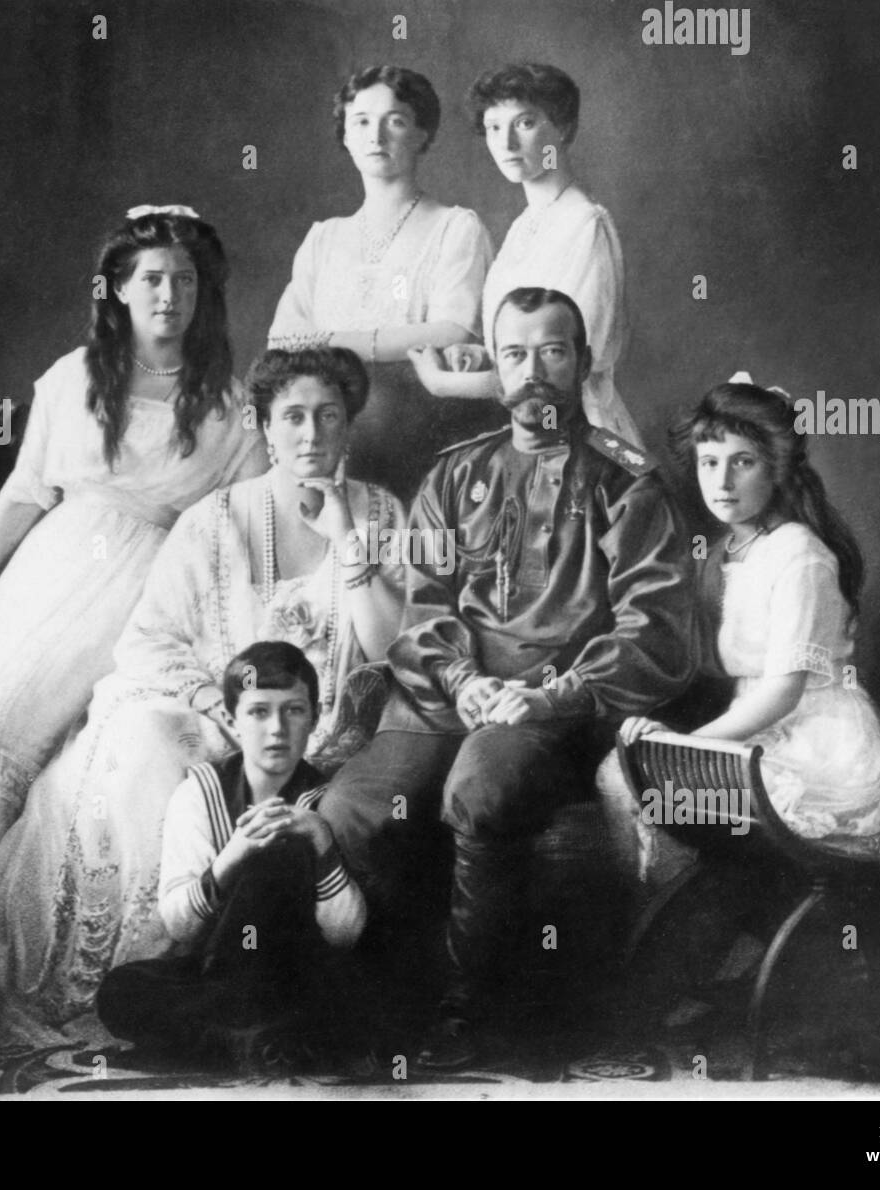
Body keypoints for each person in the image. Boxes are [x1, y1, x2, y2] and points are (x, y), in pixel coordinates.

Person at [0, 349, 403, 1083]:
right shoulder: (212, 520)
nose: (311, 434)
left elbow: (386, 646)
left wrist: (346, 533)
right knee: (144, 747)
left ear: (350, 426)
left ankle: (242, 1002)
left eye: (328, 416)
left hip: (328, 736)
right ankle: (150, 972)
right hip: (215, 718)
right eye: (293, 417)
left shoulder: (380, 513)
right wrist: (211, 711)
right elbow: (148, 641)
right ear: (264, 427)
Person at [317, 286, 697, 1071]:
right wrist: (462, 681)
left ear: (583, 362)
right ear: (495, 367)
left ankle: (468, 1017)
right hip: (444, 695)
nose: (534, 371)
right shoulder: (455, 476)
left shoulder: (631, 485)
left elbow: (653, 633)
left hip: (557, 703)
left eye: (553, 351)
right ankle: (356, 1010)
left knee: (479, 789)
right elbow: (423, 607)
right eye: (515, 354)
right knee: (350, 810)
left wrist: (547, 693)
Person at [0, 206, 265, 899]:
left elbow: (246, 530)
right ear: (118, 287)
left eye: (185, 280)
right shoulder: (74, 378)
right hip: (47, 574)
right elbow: (24, 494)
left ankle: (3, 914)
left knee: (19, 739)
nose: (169, 296)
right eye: (152, 278)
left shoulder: (230, 408)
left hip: (145, 587)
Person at [618, 374, 880, 840]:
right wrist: (663, 731)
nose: (722, 481)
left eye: (743, 462)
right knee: (626, 777)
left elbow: (782, 694)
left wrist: (683, 747)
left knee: (650, 791)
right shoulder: (729, 552)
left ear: (775, 468)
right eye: (709, 462)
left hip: (819, 747)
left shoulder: (799, 554)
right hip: (757, 731)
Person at [96, 642, 366, 1072]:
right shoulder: (200, 794)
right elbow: (180, 925)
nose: (276, 728)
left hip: (295, 971)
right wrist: (232, 856)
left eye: (293, 710)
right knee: (119, 990)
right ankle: (262, 1037)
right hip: (222, 971)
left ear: (314, 718)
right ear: (231, 718)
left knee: (278, 865)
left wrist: (320, 838)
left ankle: (229, 1039)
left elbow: (345, 935)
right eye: (258, 712)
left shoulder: (329, 798)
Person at [267, 64, 498, 500]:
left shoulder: (455, 228)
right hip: (328, 433)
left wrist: (335, 340)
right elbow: (284, 341)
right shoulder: (324, 237)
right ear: (346, 137)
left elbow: (454, 330)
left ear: (422, 134)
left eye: (395, 121)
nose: (376, 137)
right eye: (361, 122)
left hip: (424, 431)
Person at [410, 62, 642, 446]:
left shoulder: (583, 224)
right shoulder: (525, 225)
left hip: (571, 428)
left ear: (564, 129)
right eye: (494, 128)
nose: (506, 143)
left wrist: (443, 383)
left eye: (526, 123)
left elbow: (555, 374)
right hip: (528, 424)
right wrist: (482, 353)